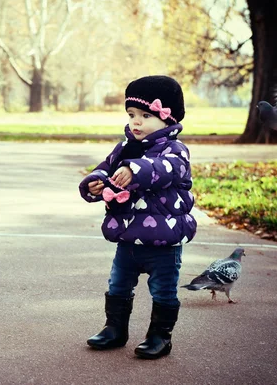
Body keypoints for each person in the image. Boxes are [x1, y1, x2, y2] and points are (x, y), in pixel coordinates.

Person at [78, 75, 197, 359]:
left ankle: (159, 336)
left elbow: (163, 169)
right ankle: (114, 329)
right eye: (132, 115)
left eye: (146, 115)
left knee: (163, 291)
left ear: (168, 119)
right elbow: (105, 169)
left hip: (163, 242)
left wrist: (135, 170)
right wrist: (96, 182)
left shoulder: (176, 151)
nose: (136, 122)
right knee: (118, 285)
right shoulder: (124, 148)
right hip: (128, 238)